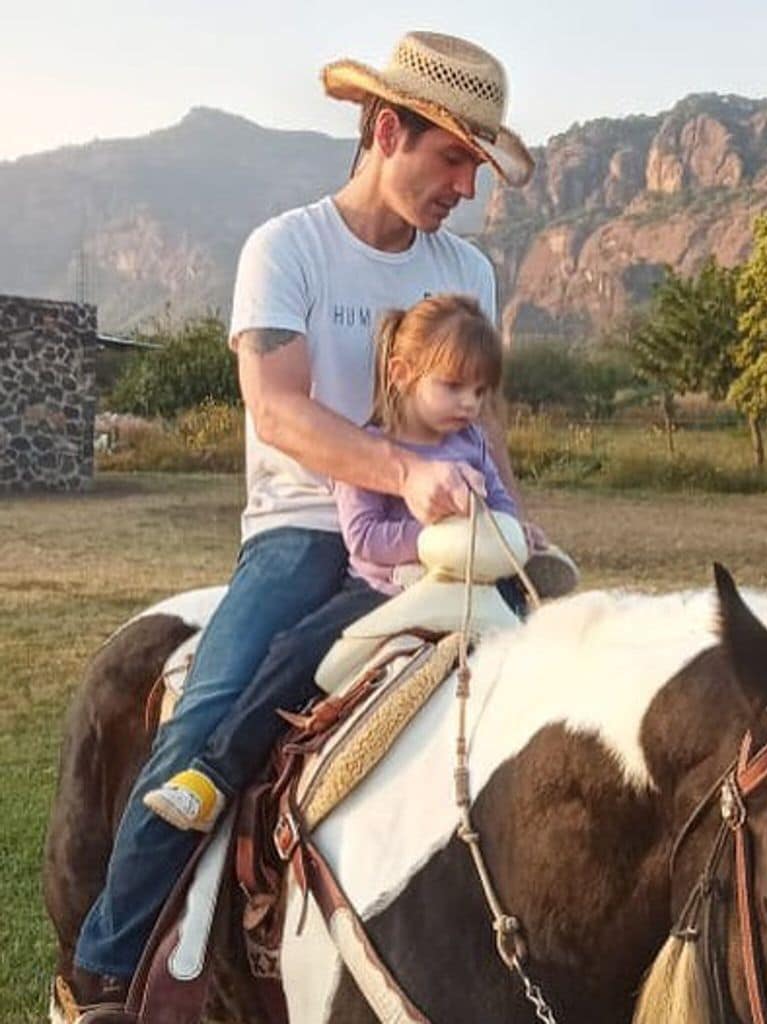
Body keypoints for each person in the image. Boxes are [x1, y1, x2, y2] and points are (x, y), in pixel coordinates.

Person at [69, 30, 536, 1010]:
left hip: (449, 528)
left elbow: (483, 420)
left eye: (476, 164)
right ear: (383, 129)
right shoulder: (289, 249)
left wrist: (510, 528)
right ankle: (107, 968)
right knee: (208, 715)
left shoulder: (467, 273)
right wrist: (405, 473)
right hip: (304, 526)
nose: (467, 185)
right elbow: (278, 410)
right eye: (452, 156)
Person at [142, 294, 521, 833]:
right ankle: (213, 775)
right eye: (454, 386)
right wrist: (434, 540)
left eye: (480, 391)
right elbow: (365, 539)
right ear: (402, 373)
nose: (469, 403)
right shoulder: (368, 450)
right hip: (383, 590)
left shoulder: (473, 444)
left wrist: (513, 531)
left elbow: (501, 502)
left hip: (468, 586)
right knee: (291, 654)